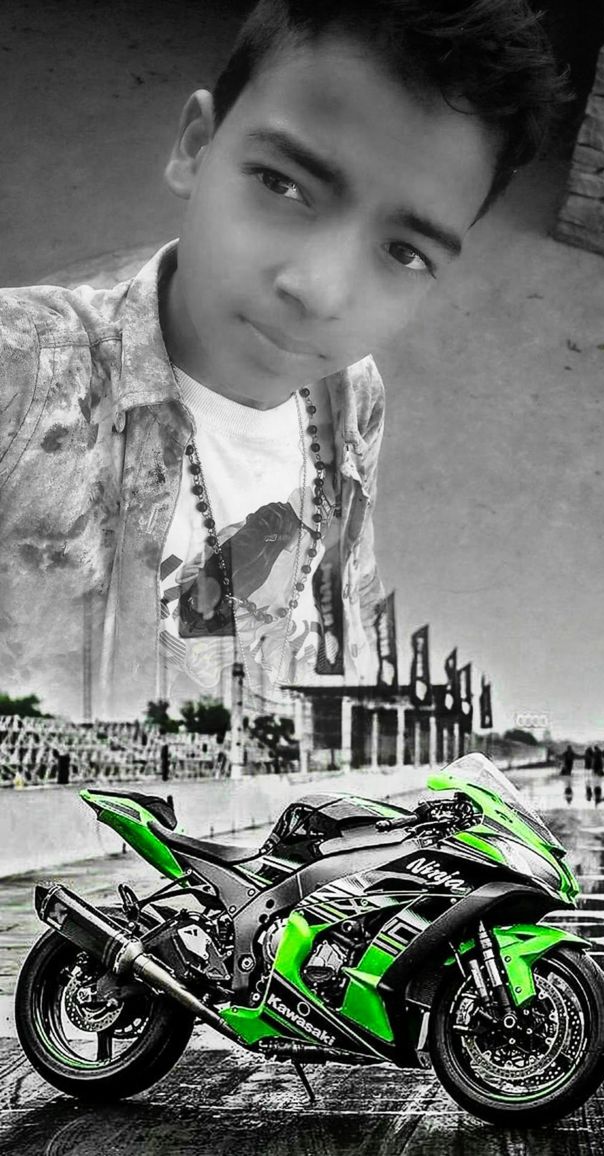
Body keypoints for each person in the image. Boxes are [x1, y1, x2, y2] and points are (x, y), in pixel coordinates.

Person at [0, 0, 567, 721]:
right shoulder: (21, 381)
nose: (319, 291)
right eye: (283, 185)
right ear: (197, 146)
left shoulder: (352, 394)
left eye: (403, 252)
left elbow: (344, 593)